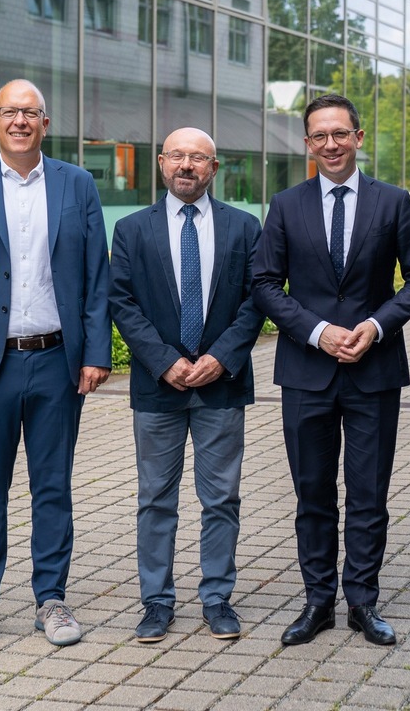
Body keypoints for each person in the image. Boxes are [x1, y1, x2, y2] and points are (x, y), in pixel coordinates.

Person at [0, 79, 112, 652]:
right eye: (9, 112)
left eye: (29, 113)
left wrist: (96, 353)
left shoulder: (77, 185)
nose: (19, 121)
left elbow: (96, 280)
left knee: (52, 487)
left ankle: (51, 599)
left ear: (45, 122)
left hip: (58, 361)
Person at [253, 94, 410, 647]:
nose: (330, 144)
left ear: (359, 137)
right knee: (312, 494)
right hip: (307, 371)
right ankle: (318, 603)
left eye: (340, 133)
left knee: (368, 494)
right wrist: (318, 331)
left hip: (373, 371)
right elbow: (264, 283)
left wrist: (377, 326)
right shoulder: (286, 205)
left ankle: (362, 602)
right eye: (319, 136)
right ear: (308, 144)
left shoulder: (393, 202)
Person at [109, 127, 264, 643]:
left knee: (221, 498)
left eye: (198, 158)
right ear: (160, 163)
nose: (186, 165)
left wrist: (221, 357)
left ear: (214, 168)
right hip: (159, 387)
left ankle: (216, 597)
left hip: (222, 384)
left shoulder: (244, 227)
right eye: (177, 155)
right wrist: (163, 361)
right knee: (156, 497)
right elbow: (122, 303)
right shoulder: (131, 230)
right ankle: (156, 601)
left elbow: (257, 298)